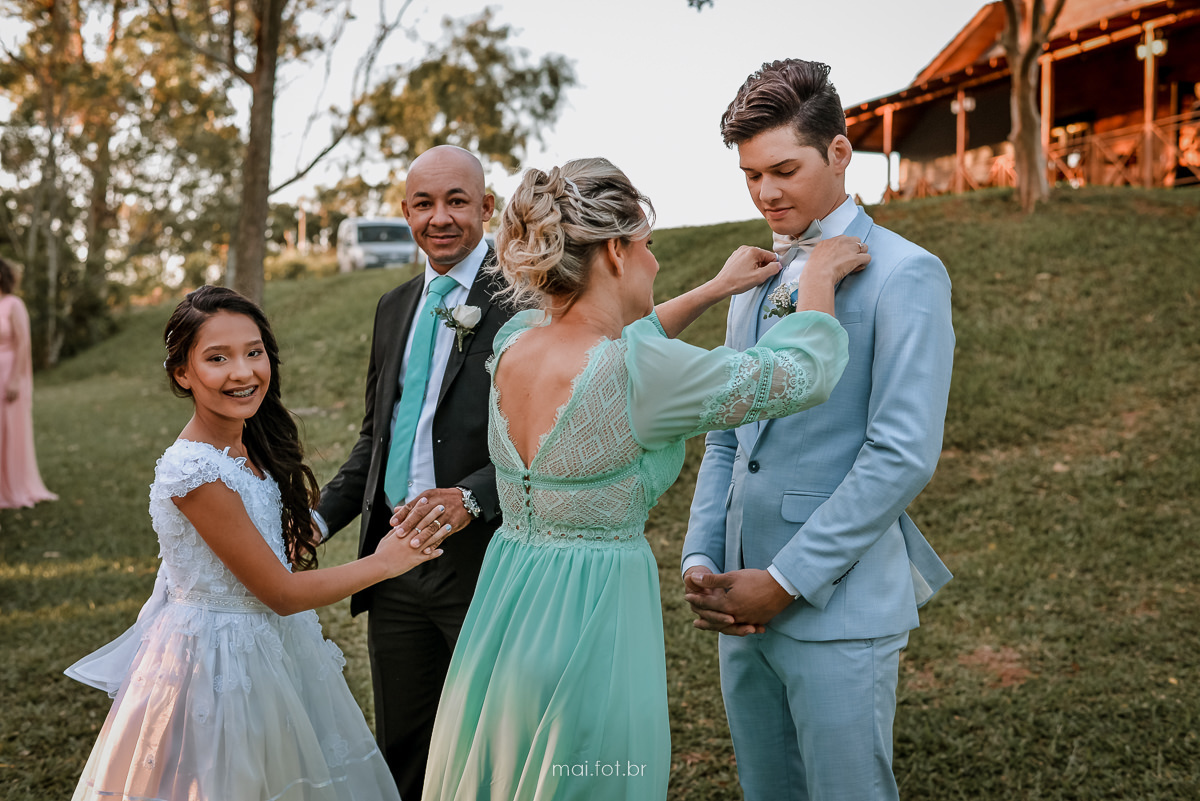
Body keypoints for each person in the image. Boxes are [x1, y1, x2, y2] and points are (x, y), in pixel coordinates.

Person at [415, 156, 868, 801]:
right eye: (649, 246)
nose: (655, 263)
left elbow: (616, 336)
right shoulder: (639, 370)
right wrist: (818, 273)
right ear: (618, 251)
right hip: (592, 613)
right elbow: (804, 372)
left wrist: (714, 290)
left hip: (508, 602)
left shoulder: (518, 339)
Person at [682, 59, 956, 801]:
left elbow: (900, 454)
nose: (766, 193)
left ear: (839, 152)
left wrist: (785, 580)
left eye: (783, 169)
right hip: (737, 601)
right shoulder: (756, 273)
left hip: (835, 605)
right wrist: (703, 554)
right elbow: (727, 434)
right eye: (749, 175)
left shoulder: (908, 274)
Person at [65, 286, 450, 800]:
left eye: (253, 352)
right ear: (182, 373)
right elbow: (282, 594)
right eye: (217, 358)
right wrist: (386, 561)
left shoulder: (245, 446)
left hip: (270, 647)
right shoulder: (195, 469)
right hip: (219, 663)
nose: (243, 372)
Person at [314, 145, 516, 800]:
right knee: (402, 745)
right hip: (392, 563)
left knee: (487, 744)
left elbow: (549, 438)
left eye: (457, 200)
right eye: (424, 203)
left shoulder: (523, 298)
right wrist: (315, 520)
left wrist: (473, 497)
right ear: (405, 212)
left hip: (482, 561)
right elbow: (376, 439)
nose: (441, 217)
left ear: (487, 207)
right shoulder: (393, 306)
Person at [0, 257, 58, 509]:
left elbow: (23, 343)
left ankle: (16, 486)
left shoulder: (14, 304)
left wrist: (14, 380)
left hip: (11, 374)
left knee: (11, 431)